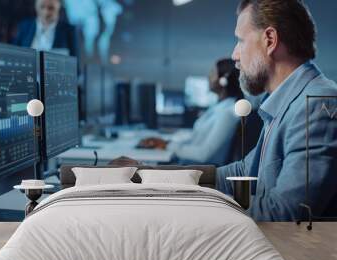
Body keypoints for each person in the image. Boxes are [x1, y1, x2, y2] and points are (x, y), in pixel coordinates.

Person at [217, 0, 337, 221]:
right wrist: (184, 179)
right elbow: (247, 172)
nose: (235, 54)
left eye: (240, 40)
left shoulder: (318, 104)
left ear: (270, 40)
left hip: (295, 253)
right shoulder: (285, 101)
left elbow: (287, 213)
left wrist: (201, 210)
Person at [138, 58, 244, 166]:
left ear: (223, 79)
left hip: (199, 170)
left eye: (212, 73)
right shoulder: (219, 107)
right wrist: (166, 142)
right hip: (189, 165)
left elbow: (204, 154)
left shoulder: (227, 113)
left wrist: (167, 145)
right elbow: (194, 141)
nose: (208, 77)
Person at [12, 0, 78, 56]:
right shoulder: (24, 27)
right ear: (36, 6)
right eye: (42, 7)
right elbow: (14, 54)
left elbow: (76, 64)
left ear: (59, 7)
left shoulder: (69, 31)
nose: (45, 12)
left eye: (51, 8)